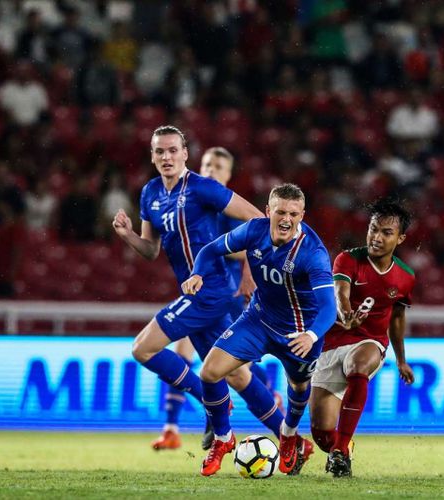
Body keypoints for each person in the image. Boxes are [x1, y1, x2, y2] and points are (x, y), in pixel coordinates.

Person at [112, 126, 285, 451]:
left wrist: (254, 269)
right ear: (152, 155)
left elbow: (256, 219)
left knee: (142, 348)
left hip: (213, 290)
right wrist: (128, 236)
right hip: (196, 292)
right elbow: (151, 250)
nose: (167, 157)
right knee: (234, 374)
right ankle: (291, 439)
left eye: (173, 150)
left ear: (185, 153)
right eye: (160, 151)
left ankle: (209, 406)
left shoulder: (203, 188)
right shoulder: (150, 193)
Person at [183, 183, 337, 477]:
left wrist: (312, 335)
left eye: (293, 213)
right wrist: (196, 273)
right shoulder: (254, 230)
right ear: (268, 212)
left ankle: (289, 435)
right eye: (280, 211)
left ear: (302, 215)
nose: (286, 219)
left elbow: (329, 308)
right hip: (258, 320)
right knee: (210, 372)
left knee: (299, 388)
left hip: (299, 334)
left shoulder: (313, 253)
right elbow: (210, 250)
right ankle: (223, 439)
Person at [154, 147, 280, 451]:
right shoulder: (195, 200)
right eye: (207, 164)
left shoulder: (226, 206)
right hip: (203, 290)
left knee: (235, 367)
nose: (211, 170)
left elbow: (252, 241)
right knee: (191, 352)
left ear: (228, 174)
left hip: (232, 293)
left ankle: (260, 399)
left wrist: (247, 272)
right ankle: (173, 427)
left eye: (219, 166)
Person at [308, 199, 416, 478]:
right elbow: (340, 293)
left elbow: (396, 318)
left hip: (370, 342)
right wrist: (346, 316)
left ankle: (341, 450)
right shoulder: (348, 259)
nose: (377, 238)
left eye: (386, 233)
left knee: (358, 365)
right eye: (373, 229)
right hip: (331, 345)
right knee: (321, 433)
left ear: (400, 238)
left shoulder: (405, 277)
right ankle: (338, 448)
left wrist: (401, 360)